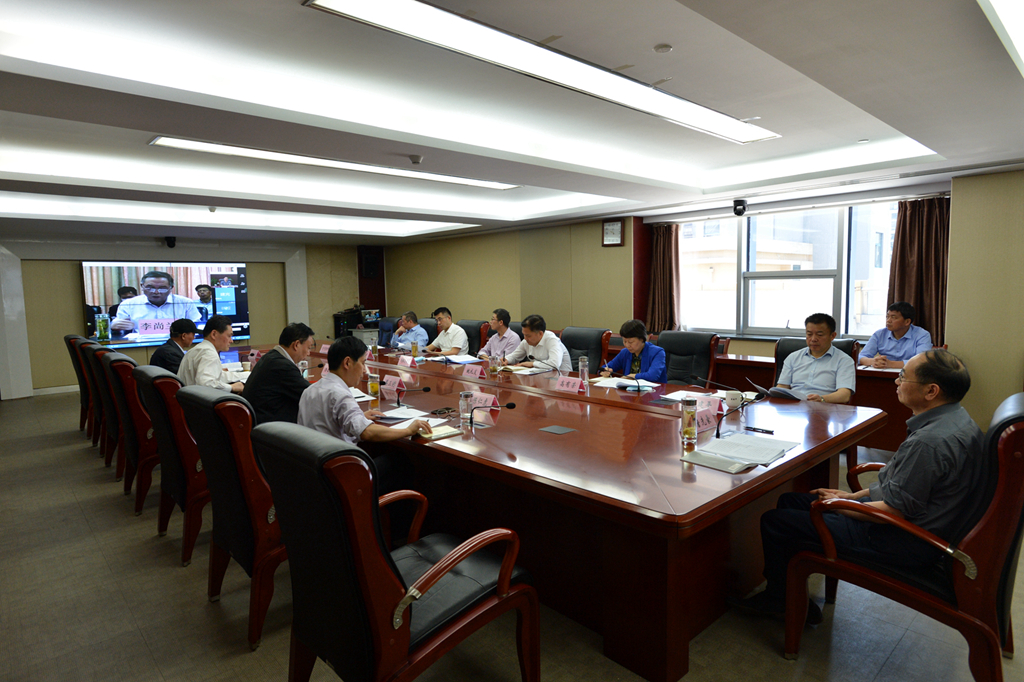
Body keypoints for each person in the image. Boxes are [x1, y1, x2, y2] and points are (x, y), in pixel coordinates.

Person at [733, 349, 984, 625]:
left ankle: (780, 602)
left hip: (900, 540)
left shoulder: (930, 442)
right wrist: (851, 496)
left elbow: (892, 511)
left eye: (903, 376)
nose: (897, 381)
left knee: (776, 521)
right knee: (791, 501)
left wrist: (839, 505)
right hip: (915, 522)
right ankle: (790, 593)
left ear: (931, 391)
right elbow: (899, 486)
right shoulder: (955, 420)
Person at [298, 336, 431, 443]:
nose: (364, 370)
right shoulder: (340, 394)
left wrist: (359, 417)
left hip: (313, 462)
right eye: (362, 363)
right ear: (347, 363)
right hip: (342, 463)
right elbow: (367, 432)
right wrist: (408, 430)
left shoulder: (309, 390)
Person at [241, 322, 315, 424]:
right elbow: (312, 395)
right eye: (308, 348)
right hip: (270, 427)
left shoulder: (270, 357)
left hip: (259, 422)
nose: (308, 353)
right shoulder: (283, 366)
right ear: (296, 345)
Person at [776, 313, 856, 403]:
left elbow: (844, 395)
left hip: (824, 407)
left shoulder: (844, 361)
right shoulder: (793, 357)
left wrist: (822, 399)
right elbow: (782, 387)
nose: (813, 339)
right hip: (794, 406)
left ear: (832, 336)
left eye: (820, 335)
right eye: (809, 334)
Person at [111, 271, 201, 332]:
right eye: (150, 287)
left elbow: (196, 326)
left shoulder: (185, 303)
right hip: (140, 346)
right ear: (142, 286)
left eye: (162, 288)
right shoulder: (128, 304)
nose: (156, 292)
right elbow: (119, 327)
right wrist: (115, 326)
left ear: (171, 288)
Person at [177, 315, 244, 393]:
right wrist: (232, 387)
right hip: (196, 399)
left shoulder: (197, 349)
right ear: (214, 334)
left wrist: (247, 375)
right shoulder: (209, 354)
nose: (231, 341)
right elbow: (206, 384)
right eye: (229, 336)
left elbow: (219, 376)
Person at [858, 301, 934, 369]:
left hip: (910, 376)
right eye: (887, 317)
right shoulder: (879, 334)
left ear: (907, 322)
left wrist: (891, 364)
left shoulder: (922, 335)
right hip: (883, 374)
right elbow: (860, 356)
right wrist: (873, 361)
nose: (888, 321)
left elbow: (922, 361)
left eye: (893, 317)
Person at [600, 319, 667, 383]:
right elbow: (605, 367)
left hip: (653, 390)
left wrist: (633, 376)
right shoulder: (625, 352)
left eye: (630, 342)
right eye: (624, 341)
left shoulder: (658, 352)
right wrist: (605, 371)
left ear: (642, 339)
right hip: (628, 389)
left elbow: (653, 376)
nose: (627, 345)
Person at [502, 314, 571, 373]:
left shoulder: (552, 340)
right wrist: (506, 360)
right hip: (540, 376)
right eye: (524, 335)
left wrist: (532, 364)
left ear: (540, 334)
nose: (525, 338)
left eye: (528, 336)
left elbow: (554, 364)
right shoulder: (526, 341)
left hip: (561, 378)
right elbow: (514, 356)